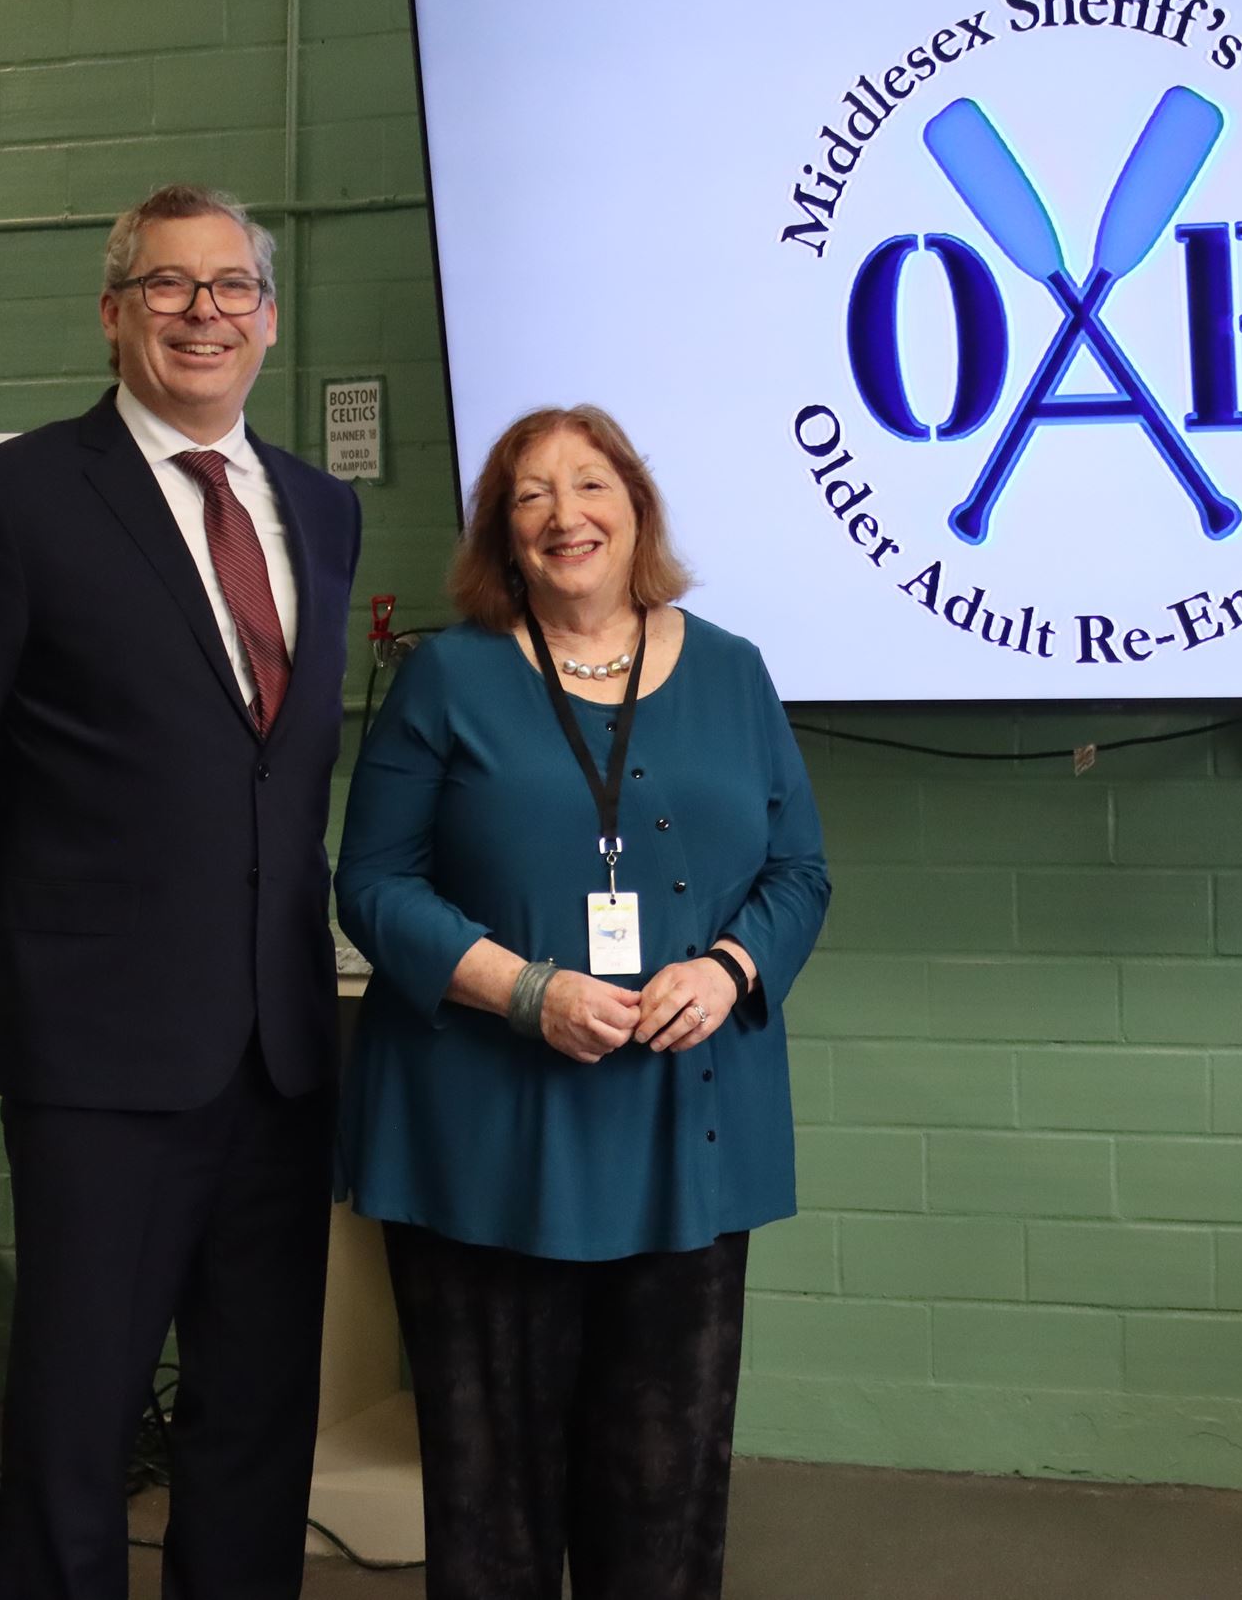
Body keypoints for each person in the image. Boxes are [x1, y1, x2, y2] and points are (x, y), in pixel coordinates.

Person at [0, 185, 362, 1599]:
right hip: (95, 1056)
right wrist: (39, 967)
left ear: (269, 320)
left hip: (280, 1050)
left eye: (230, 287)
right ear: (111, 311)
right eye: (167, 285)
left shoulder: (321, 510)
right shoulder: (15, 497)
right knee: (77, 1423)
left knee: (257, 1413)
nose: (202, 312)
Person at [335, 403, 828, 1600]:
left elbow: (797, 869)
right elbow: (373, 883)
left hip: (681, 1134)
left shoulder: (732, 670)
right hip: (483, 1140)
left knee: (664, 1495)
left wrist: (727, 967)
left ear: (636, 509)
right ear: (502, 534)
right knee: (491, 1501)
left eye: (592, 483)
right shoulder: (445, 675)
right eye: (531, 494)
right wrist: (524, 989)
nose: (567, 514)